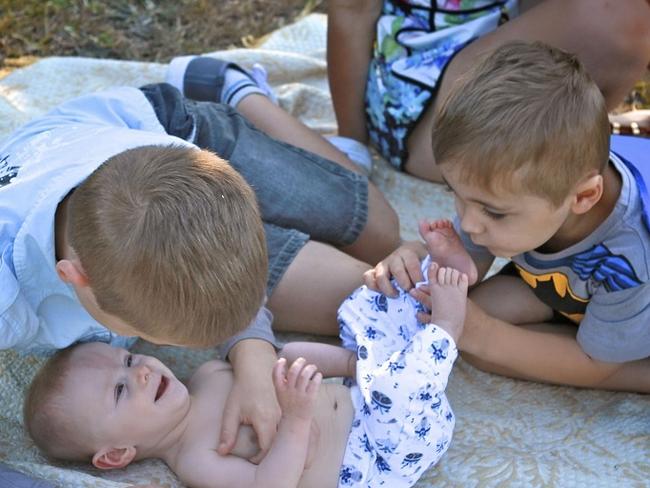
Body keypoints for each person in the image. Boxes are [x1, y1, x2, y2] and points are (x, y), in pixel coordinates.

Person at [0, 56, 400, 464]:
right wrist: (253, 355)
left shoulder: (186, 162)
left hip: (167, 129)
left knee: (383, 232)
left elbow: (226, 277)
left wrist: (253, 352)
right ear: (75, 277)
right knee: (366, 295)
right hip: (106, 183)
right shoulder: (8, 296)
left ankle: (235, 91)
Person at [23, 255, 468, 488]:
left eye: (129, 360)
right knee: (399, 384)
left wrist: (354, 364)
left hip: (362, 391)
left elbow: (282, 360)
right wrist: (294, 419)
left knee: (364, 304)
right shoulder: (195, 460)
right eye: (120, 391)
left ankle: (439, 273)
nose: (139, 371)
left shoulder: (207, 375)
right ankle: (446, 327)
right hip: (381, 455)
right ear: (117, 454)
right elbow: (269, 483)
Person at [365, 40, 650, 392]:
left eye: (494, 212)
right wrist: (422, 260)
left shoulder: (630, 258)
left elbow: (594, 365)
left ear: (584, 197)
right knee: (467, 315)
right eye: (454, 194)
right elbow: (463, 273)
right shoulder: (521, 187)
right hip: (575, 292)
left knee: (482, 345)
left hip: (635, 312)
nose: (468, 224)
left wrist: (482, 334)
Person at [327, 0, 650, 181]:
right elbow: (352, 9)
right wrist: (351, 143)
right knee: (618, 14)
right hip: (418, 106)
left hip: (503, 53)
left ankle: (575, 134)